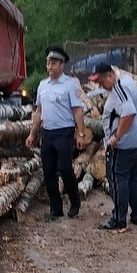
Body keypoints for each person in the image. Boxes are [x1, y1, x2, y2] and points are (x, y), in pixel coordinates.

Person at [25, 45, 86, 219]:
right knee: (49, 171)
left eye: (53, 63)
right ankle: (55, 208)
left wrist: (80, 134)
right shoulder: (43, 85)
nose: (49, 67)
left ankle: (75, 202)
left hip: (64, 132)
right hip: (48, 132)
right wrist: (32, 133)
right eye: (48, 63)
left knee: (65, 169)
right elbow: (39, 111)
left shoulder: (70, 85)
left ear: (61, 65)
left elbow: (77, 111)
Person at [89, 61, 137, 232]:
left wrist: (116, 137)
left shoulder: (119, 88)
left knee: (117, 178)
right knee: (135, 177)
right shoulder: (126, 81)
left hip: (124, 144)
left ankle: (118, 219)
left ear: (110, 75)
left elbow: (129, 112)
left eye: (101, 81)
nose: (100, 85)